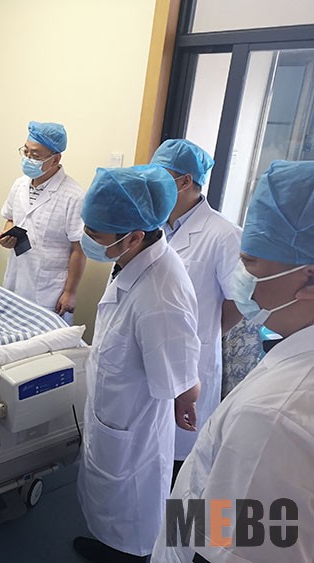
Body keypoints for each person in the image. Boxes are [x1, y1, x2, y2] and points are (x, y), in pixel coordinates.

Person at [153, 160, 314, 563]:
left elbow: (227, 551)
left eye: (251, 263)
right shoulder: (292, 365)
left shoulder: (273, 417)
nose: (240, 277)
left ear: (310, 280)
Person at [74, 165, 201, 563]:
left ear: (133, 237)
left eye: (96, 234)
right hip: (114, 418)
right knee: (106, 505)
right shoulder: (132, 260)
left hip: (133, 433)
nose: (87, 238)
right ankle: (107, 543)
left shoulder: (161, 296)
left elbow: (182, 380)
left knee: (129, 520)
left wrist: (185, 400)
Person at [150, 139, 242, 480]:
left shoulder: (224, 235)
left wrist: (207, 334)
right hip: (153, 354)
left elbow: (239, 300)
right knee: (148, 451)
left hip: (193, 361)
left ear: (185, 181)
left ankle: (178, 515)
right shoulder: (154, 226)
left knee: (181, 463)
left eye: (159, 176)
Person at [0, 121, 86, 323]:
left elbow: (79, 249)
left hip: (49, 290)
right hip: (16, 279)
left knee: (47, 339)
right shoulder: (19, 185)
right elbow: (10, 218)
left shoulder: (73, 196)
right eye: (26, 152)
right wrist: (7, 236)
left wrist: (70, 292)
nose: (28, 159)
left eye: (36, 156)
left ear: (56, 159)